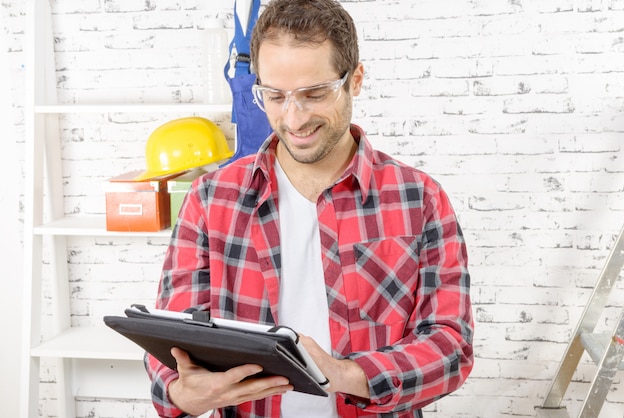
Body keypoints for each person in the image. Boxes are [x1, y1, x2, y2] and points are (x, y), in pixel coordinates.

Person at [145, 0, 474, 417]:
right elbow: (171, 341)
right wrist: (180, 394)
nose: (293, 118)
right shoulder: (210, 198)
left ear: (355, 79)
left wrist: (343, 374)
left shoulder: (419, 198)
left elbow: (450, 346)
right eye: (274, 96)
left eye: (314, 94)